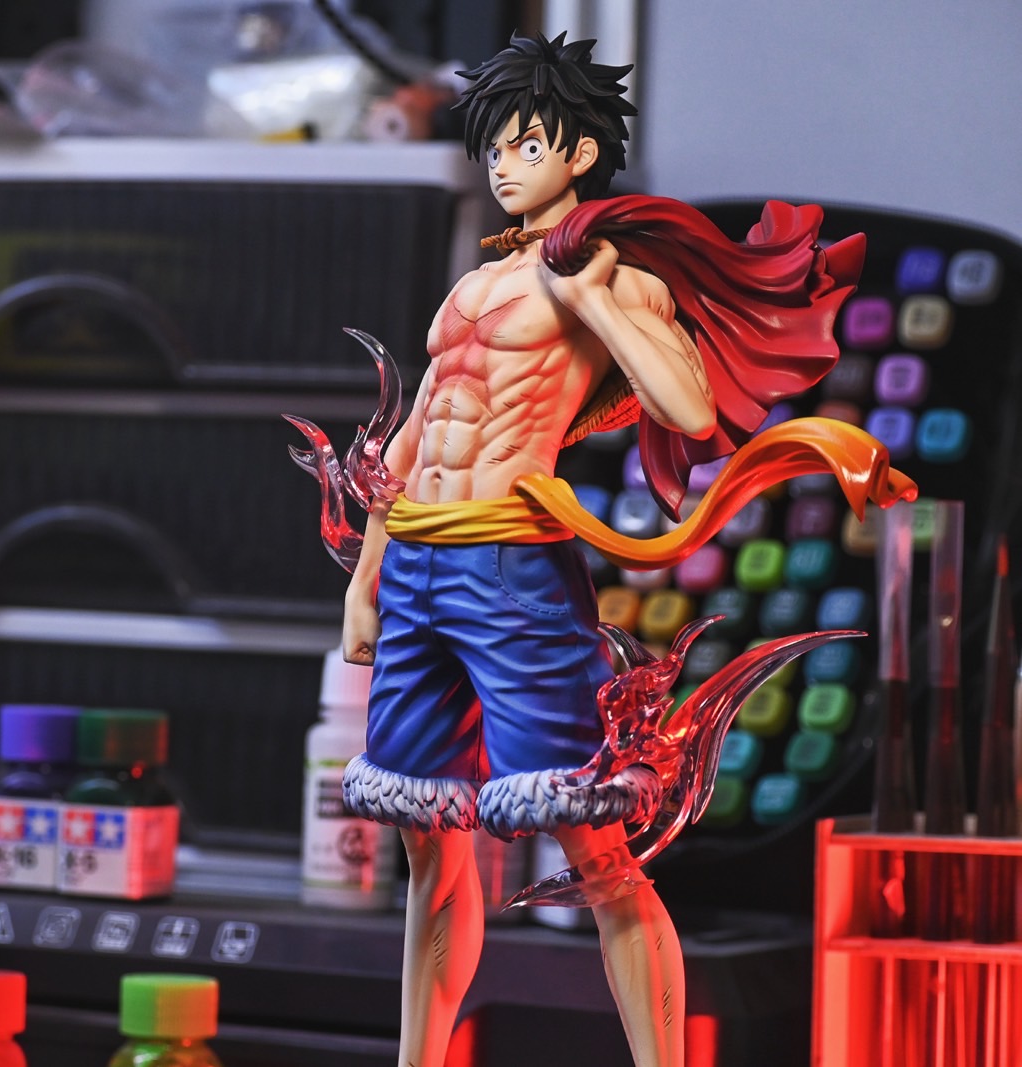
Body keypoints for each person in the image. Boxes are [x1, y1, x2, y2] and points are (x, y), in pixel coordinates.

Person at [326, 32, 899, 1067]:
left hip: (510, 570)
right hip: (415, 566)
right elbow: (408, 439)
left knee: (593, 844)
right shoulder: (468, 290)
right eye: (492, 145)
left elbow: (685, 405)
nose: (503, 164)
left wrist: (590, 297)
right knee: (425, 844)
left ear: (579, 153)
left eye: (525, 143)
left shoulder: (609, 281)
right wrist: (366, 578)